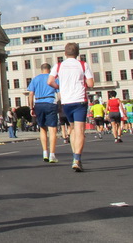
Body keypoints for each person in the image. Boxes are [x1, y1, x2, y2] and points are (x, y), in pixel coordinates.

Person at [48, 43, 94, 172]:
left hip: (66, 101)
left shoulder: (59, 66)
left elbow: (50, 81)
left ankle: (75, 155)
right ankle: (77, 158)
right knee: (80, 130)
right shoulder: (83, 65)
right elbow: (90, 83)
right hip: (80, 100)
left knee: (72, 128)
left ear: (65, 53)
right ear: (77, 53)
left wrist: (59, 87)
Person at [28, 63, 59, 163]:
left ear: (41, 70)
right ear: (50, 70)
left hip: (38, 103)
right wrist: (59, 104)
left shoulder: (35, 79)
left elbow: (31, 94)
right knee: (52, 129)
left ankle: (45, 152)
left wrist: (31, 107)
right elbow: (59, 93)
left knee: (42, 128)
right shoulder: (53, 78)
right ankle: (52, 155)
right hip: (50, 102)